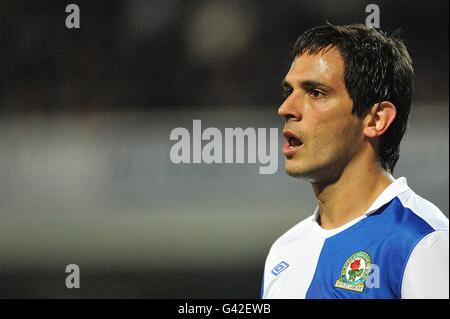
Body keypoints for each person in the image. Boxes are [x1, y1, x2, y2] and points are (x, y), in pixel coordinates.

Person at [261, 23, 449, 299]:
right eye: (289, 91)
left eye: (315, 92)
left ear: (376, 119)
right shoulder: (284, 252)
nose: (286, 108)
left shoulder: (423, 242)